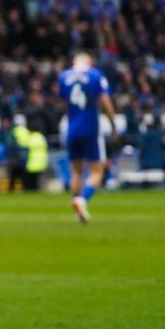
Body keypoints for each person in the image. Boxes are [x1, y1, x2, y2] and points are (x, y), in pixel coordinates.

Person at [58, 52, 116, 223]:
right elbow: (105, 101)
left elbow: (63, 101)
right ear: (89, 62)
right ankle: (82, 200)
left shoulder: (63, 77)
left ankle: (78, 213)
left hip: (71, 128)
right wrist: (113, 123)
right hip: (91, 127)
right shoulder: (95, 75)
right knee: (98, 169)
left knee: (76, 170)